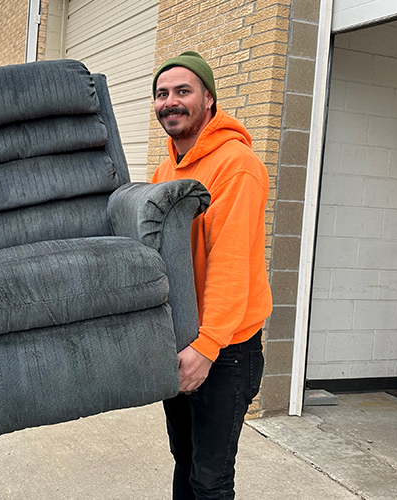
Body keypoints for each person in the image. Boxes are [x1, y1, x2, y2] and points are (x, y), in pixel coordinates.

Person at [150, 51, 273, 499]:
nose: (170, 101)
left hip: (225, 350)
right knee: (185, 459)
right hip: (182, 339)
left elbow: (230, 263)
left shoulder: (237, 165)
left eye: (183, 91)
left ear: (208, 99)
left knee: (211, 479)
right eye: (162, 93)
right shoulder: (166, 170)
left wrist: (207, 346)